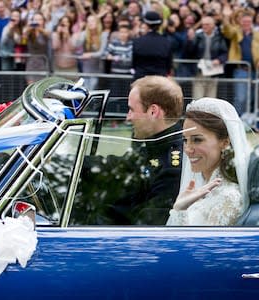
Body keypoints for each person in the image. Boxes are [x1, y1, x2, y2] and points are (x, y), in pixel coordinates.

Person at [76, 75, 184, 225]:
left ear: (153, 112)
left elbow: (146, 228)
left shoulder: (172, 167)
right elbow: (119, 167)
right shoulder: (152, 142)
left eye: (132, 109)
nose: (128, 117)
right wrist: (73, 164)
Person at [166, 97, 251, 226]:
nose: (187, 149)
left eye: (197, 140)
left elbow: (203, 245)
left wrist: (180, 211)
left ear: (224, 142)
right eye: (185, 140)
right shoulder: (197, 184)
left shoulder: (229, 198)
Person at [183, 14, 228, 99]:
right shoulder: (197, 36)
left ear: (213, 25)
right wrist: (190, 40)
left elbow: (225, 53)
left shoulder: (219, 37)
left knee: (211, 98)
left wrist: (219, 60)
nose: (204, 26)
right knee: (198, 98)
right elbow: (189, 52)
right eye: (203, 24)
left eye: (207, 24)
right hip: (199, 71)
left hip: (213, 71)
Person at [132, 10, 173, 80]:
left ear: (146, 24)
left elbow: (134, 64)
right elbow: (168, 65)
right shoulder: (166, 42)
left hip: (141, 80)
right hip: (160, 80)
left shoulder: (138, 41)